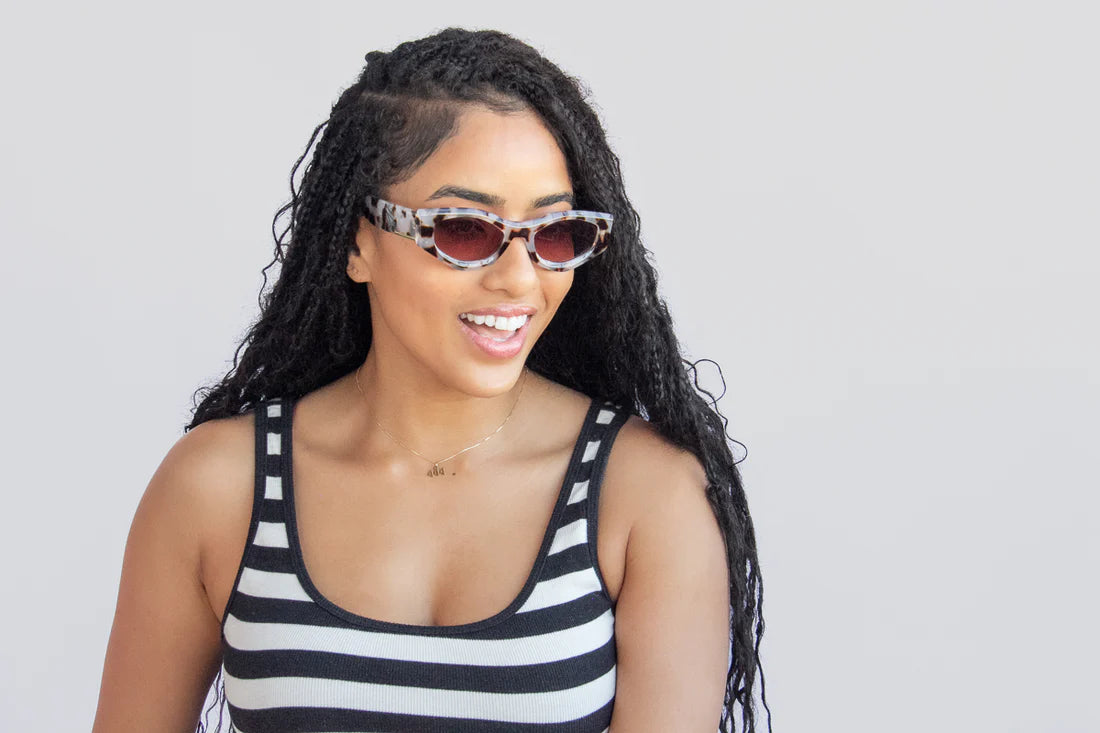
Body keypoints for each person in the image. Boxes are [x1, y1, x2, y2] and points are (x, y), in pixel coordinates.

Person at [92, 27, 768, 733]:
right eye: (465, 230)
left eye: (553, 233)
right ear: (357, 242)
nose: (519, 279)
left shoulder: (647, 498)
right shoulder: (217, 487)